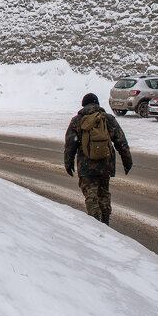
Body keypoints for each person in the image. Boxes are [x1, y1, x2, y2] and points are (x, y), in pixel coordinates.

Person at [64, 93, 132, 224]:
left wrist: (68, 163)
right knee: (103, 192)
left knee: (90, 194)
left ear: (83, 105)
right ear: (97, 104)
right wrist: (127, 161)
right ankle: (105, 220)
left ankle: (94, 222)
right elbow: (121, 141)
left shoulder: (77, 120)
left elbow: (70, 145)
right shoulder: (107, 119)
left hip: (86, 165)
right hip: (105, 163)